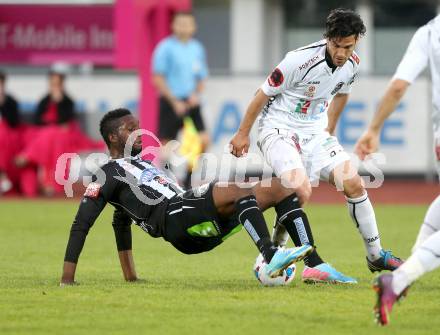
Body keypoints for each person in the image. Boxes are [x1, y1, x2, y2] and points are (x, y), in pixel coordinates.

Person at [229, 8, 403, 284]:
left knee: (354, 184)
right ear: (328, 39)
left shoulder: (352, 63)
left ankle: (375, 255)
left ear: (356, 40)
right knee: (300, 189)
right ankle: (286, 255)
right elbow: (261, 95)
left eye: (348, 46)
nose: (341, 53)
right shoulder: (298, 61)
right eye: (337, 45)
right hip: (279, 128)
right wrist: (242, 134)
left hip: (315, 133)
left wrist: (328, 131)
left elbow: (342, 94)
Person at [60, 108, 314, 285]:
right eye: (130, 129)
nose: (138, 133)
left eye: (139, 128)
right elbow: (81, 224)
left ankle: (314, 264)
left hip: (198, 225)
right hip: (175, 217)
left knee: (283, 187)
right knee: (235, 188)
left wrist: (131, 277)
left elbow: (121, 222)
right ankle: (272, 255)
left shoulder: (145, 166)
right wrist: (67, 279)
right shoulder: (107, 173)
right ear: (113, 137)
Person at [353, 15, 440, 326]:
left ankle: (412, 267)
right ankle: (400, 279)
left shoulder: (428, 32)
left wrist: (374, 128)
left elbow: (398, 86)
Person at [15, 70, 104, 196]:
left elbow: (65, 121)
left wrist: (59, 102)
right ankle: (45, 180)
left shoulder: (67, 101)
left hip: (63, 138)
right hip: (46, 137)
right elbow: (38, 121)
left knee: (53, 137)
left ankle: (28, 156)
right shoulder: (44, 101)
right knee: (47, 135)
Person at [152, 11, 209, 189]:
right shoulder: (165, 47)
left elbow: (201, 77)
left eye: (187, 24)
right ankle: (166, 179)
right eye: (180, 23)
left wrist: (195, 94)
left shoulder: (197, 48)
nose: (184, 27)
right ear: (173, 26)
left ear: (194, 27)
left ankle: (189, 178)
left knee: (204, 139)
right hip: (171, 100)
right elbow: (158, 77)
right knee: (167, 143)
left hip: (191, 100)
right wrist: (174, 100)